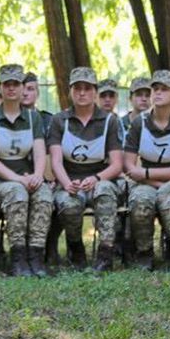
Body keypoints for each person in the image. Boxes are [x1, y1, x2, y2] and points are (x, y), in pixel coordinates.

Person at [0, 64, 53, 277]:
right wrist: (18, 179)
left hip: (25, 178)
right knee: (16, 192)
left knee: (44, 193)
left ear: (22, 88)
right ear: (0, 87)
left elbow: (39, 152)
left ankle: (36, 256)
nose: (11, 88)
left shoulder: (33, 118)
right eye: (6, 84)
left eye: (16, 84)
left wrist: (38, 175)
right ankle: (17, 258)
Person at [122, 70, 170, 272]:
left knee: (168, 195)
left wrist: (146, 175)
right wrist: (154, 181)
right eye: (154, 89)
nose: (157, 93)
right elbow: (129, 166)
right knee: (140, 199)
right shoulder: (139, 123)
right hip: (149, 183)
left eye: (164, 89)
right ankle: (144, 255)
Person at [48, 67, 123, 272]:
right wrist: (66, 184)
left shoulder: (110, 121)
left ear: (95, 92)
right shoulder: (59, 120)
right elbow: (55, 161)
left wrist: (97, 178)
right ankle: (76, 249)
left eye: (87, 88)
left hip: (100, 179)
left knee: (105, 192)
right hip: (69, 180)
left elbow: (117, 164)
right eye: (77, 88)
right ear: (70, 91)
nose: (82, 93)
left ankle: (105, 254)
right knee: (69, 203)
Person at [22, 71, 54, 140]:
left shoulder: (48, 121)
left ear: (37, 93)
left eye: (30, 89)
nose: (25, 93)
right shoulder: (9, 119)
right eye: (22, 89)